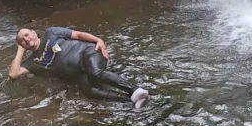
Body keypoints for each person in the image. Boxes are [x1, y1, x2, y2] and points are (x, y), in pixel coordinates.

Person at [8, 26, 149, 108]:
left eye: (26, 35)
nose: (26, 39)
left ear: (33, 32)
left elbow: (77, 34)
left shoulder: (51, 32)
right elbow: (13, 74)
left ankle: (135, 89)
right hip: (78, 73)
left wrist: (98, 40)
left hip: (88, 53)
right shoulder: (33, 62)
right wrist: (20, 50)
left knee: (95, 73)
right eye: (22, 40)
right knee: (89, 92)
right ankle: (130, 101)